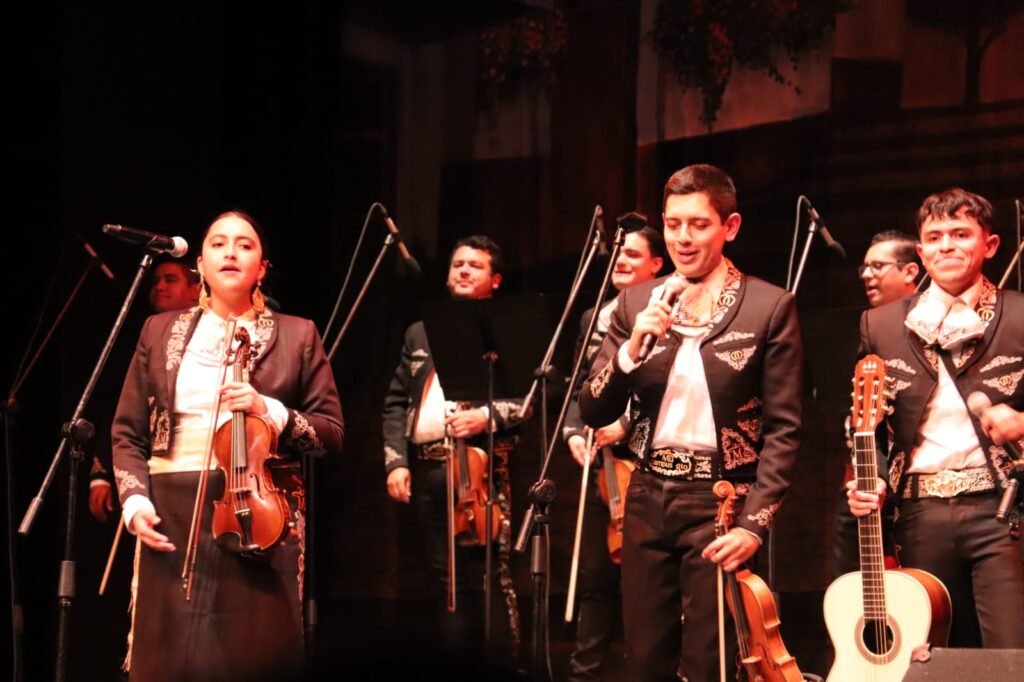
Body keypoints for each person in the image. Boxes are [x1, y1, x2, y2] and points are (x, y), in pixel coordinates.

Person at [579, 164, 804, 680]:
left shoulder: (768, 306)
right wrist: (631, 351)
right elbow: (593, 409)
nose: (683, 237)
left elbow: (785, 429)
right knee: (644, 659)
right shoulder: (635, 302)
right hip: (646, 492)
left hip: (720, 500)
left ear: (730, 227)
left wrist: (754, 524)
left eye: (699, 224)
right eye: (673, 224)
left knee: (711, 662)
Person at [111, 211, 344, 680]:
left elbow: (331, 433)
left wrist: (271, 410)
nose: (231, 252)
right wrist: (135, 501)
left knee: (253, 658)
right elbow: (128, 432)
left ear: (262, 269)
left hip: (259, 517)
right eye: (218, 244)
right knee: (168, 662)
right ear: (200, 265)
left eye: (244, 245)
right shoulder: (158, 331)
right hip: (169, 513)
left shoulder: (299, 334)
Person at [848, 187, 1024, 648]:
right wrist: (872, 479)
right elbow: (867, 425)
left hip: (1002, 511)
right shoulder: (881, 324)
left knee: (1011, 654)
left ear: (989, 245)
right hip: (920, 512)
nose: (947, 245)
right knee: (937, 655)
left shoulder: (1019, 314)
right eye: (935, 237)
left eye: (960, 234)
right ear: (922, 253)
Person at [382, 235, 529, 669]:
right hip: (429, 467)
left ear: (495, 279)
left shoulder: (507, 326)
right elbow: (396, 401)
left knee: (491, 576)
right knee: (447, 581)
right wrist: (396, 462)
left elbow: (530, 398)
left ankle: (504, 665)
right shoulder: (419, 331)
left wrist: (485, 417)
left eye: (475, 265)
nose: (463, 270)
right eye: (457, 264)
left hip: (484, 466)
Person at [562, 216, 665, 680]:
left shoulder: (669, 310)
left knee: (645, 578)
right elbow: (577, 387)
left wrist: (623, 425)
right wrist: (573, 432)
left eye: (633, 255)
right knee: (594, 574)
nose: (621, 261)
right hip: (597, 465)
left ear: (657, 265)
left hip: (645, 461)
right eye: (618, 254)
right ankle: (585, 672)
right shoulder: (593, 318)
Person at [832, 231, 921, 576]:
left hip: (911, 490)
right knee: (850, 583)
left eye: (878, 266)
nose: (868, 275)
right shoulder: (873, 328)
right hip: (865, 478)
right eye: (864, 268)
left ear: (911, 270)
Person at [90, 256, 202, 522]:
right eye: (156, 281)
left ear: (196, 289)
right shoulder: (144, 336)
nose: (160, 286)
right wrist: (100, 474)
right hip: (147, 472)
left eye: (170, 280)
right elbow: (121, 411)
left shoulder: (213, 334)